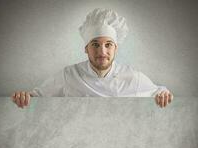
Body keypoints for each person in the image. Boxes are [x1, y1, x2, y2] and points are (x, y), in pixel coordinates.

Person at [11, 8, 173, 109]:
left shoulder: (133, 77)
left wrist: (164, 95)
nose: (102, 51)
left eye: (108, 44)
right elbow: (37, 96)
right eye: (95, 44)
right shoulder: (69, 75)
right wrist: (23, 97)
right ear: (86, 48)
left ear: (116, 48)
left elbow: (159, 92)